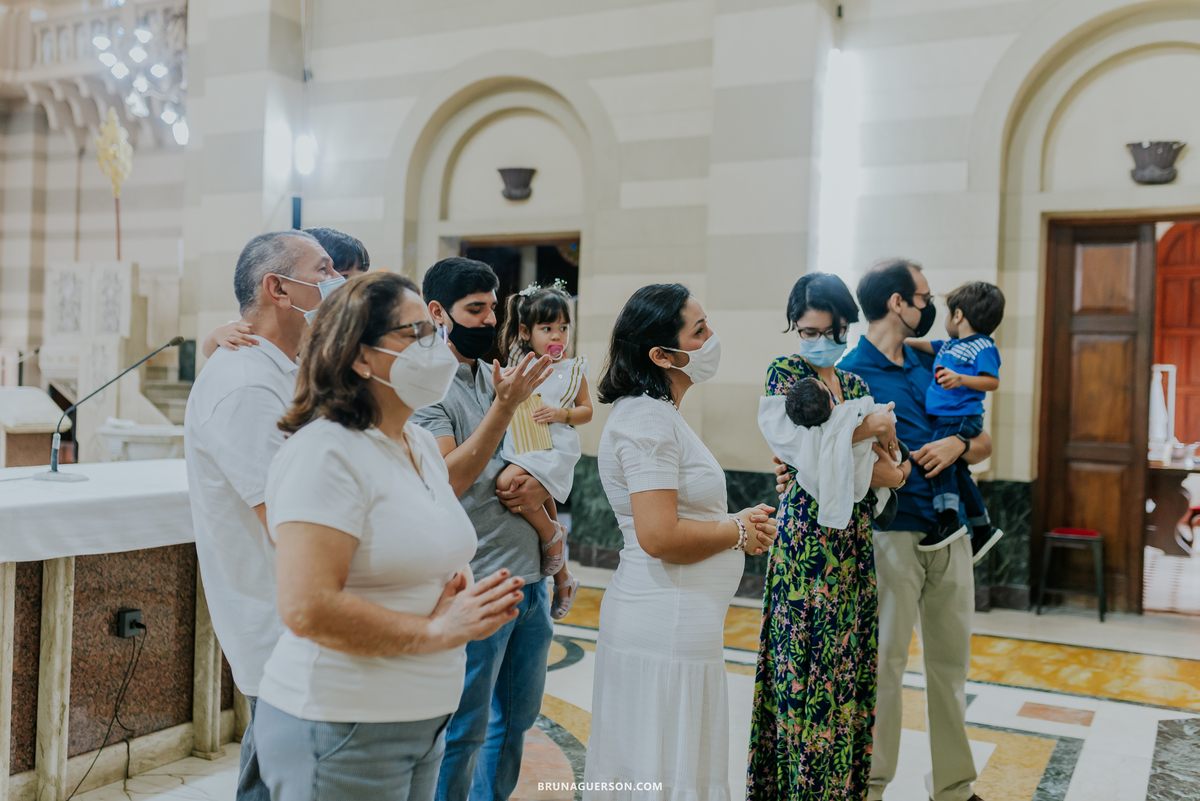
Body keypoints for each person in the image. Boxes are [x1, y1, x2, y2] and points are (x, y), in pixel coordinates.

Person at [252, 272, 526, 801]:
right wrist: (438, 632)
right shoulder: (326, 452)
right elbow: (307, 607)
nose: (436, 344)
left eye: (433, 329)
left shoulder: (419, 443)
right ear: (360, 357)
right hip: (342, 719)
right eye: (415, 333)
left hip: (420, 718)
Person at [584, 283, 778, 800]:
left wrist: (736, 522)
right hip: (663, 625)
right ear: (662, 354)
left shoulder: (658, 413)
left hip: (676, 620)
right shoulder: (646, 419)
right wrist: (738, 531)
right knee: (661, 774)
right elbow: (659, 534)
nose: (712, 337)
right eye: (700, 331)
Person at [183, 230, 341, 801]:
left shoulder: (286, 369)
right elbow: (290, 524)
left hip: (311, 625)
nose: (336, 285)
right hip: (285, 628)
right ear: (278, 287)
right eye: (324, 271)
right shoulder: (246, 385)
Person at [836, 258, 992, 801]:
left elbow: (984, 442)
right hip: (891, 535)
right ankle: (873, 785)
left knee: (951, 669)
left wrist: (958, 445)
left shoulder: (937, 364)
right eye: (924, 298)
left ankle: (953, 787)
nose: (932, 308)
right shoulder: (850, 372)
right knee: (885, 665)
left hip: (950, 536)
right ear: (896, 303)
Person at [747, 273, 905, 801]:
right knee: (807, 671)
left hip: (853, 547)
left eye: (829, 330)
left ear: (845, 326)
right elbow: (803, 454)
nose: (818, 339)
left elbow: (891, 468)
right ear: (795, 326)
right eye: (807, 329)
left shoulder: (856, 385)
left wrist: (859, 445)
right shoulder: (784, 373)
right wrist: (866, 433)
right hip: (805, 552)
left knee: (846, 669)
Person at [410, 257, 556, 801]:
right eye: (476, 309)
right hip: (477, 580)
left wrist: (550, 534)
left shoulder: (488, 372)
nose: (490, 320)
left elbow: (534, 460)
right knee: (464, 729)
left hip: (528, 574)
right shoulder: (428, 389)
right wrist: (504, 408)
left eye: (494, 308)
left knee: (516, 719)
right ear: (437, 312)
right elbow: (448, 480)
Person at [495, 280, 591, 618]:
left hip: (556, 445)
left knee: (509, 484)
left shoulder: (573, 370)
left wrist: (561, 413)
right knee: (539, 494)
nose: (557, 336)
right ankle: (561, 566)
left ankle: (551, 535)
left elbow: (586, 411)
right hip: (525, 440)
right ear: (525, 331)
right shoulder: (517, 365)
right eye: (547, 328)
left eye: (563, 328)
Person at [905, 281, 1006, 561]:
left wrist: (960, 379)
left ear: (958, 316)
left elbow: (992, 381)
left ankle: (947, 518)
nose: (946, 320)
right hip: (947, 417)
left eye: (948, 314)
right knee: (959, 472)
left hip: (959, 417)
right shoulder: (951, 344)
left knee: (940, 462)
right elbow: (927, 345)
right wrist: (902, 341)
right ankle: (982, 526)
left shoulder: (982, 346)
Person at [758, 376, 905, 530]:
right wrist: (879, 423)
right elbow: (814, 444)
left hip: (856, 519)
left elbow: (811, 445)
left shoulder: (854, 382)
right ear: (831, 403)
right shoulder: (784, 372)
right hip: (804, 518)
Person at [201, 227, 370, 356]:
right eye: (345, 277)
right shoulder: (263, 342)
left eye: (361, 279)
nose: (355, 288)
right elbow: (225, 343)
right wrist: (213, 338)